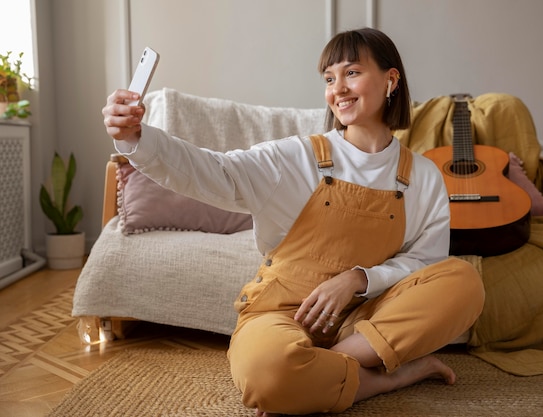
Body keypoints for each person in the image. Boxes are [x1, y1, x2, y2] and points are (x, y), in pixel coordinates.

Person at [103, 27, 485, 416]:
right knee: (266, 370)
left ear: (391, 80)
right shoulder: (297, 157)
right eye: (329, 78)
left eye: (352, 72)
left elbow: (426, 262)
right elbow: (214, 171)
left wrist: (358, 278)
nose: (339, 89)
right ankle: (390, 377)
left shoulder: (423, 176)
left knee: (463, 281)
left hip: (363, 319)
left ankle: (319, 371)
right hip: (284, 317)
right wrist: (137, 139)